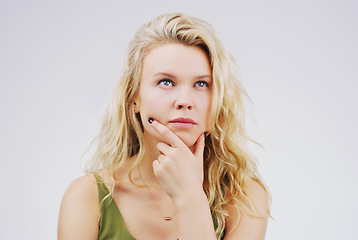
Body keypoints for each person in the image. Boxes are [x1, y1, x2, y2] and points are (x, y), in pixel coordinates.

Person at [58, 12, 270, 240]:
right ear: (134, 98)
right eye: (166, 82)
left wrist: (190, 198)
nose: (185, 101)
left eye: (201, 84)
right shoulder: (86, 197)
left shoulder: (244, 197)